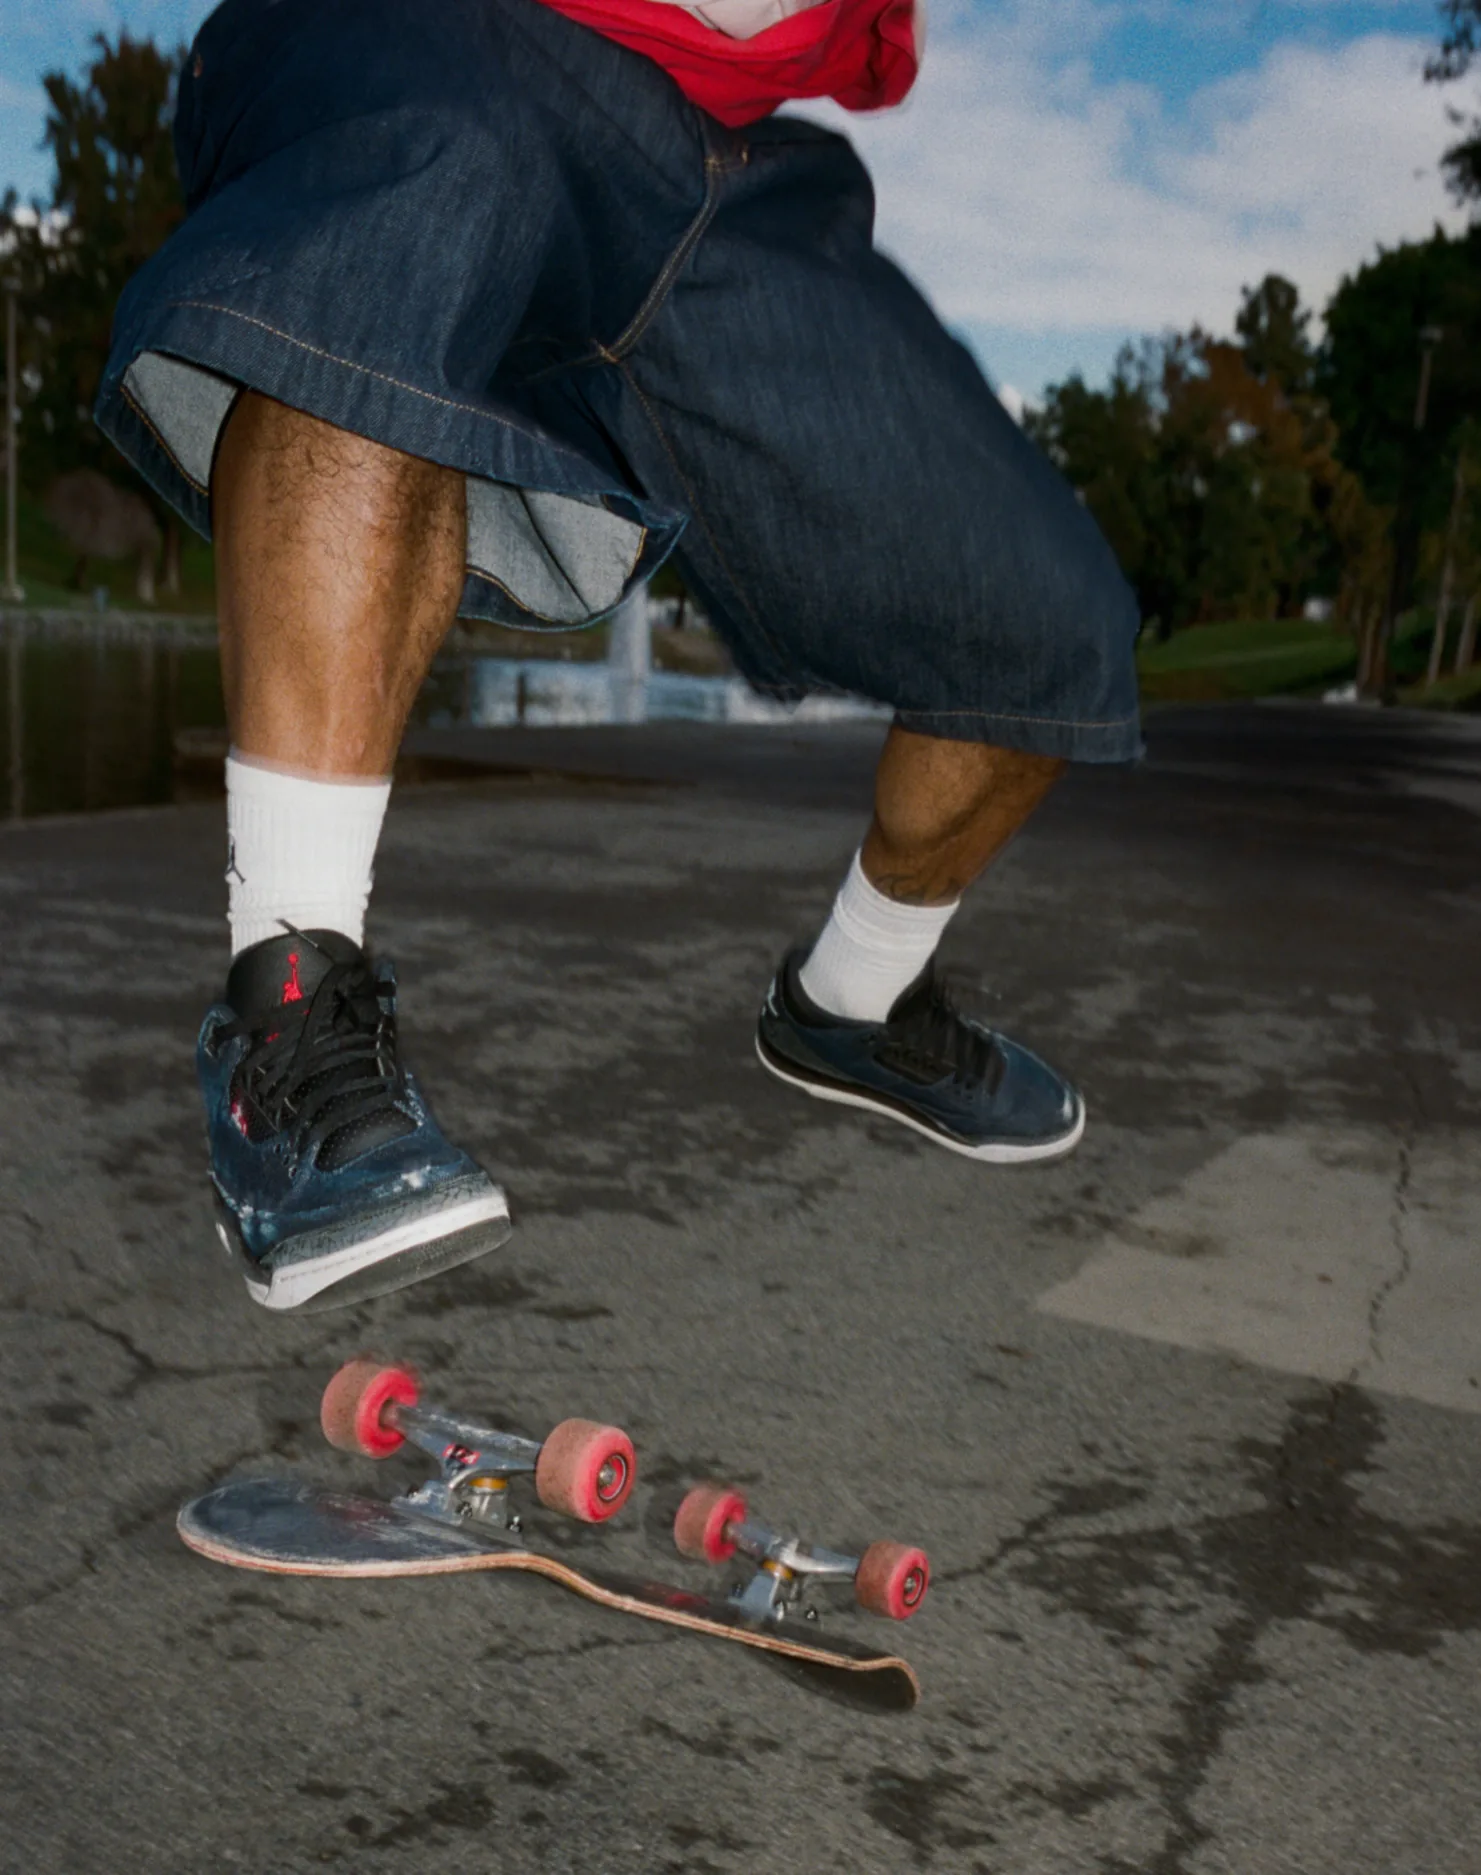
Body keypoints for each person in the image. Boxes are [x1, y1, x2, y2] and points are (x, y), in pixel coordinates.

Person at [98, 0, 1141, 1314]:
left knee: (1050, 627)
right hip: (416, 32)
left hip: (726, 167)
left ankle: (854, 1001)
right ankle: (284, 1009)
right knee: (427, 188)